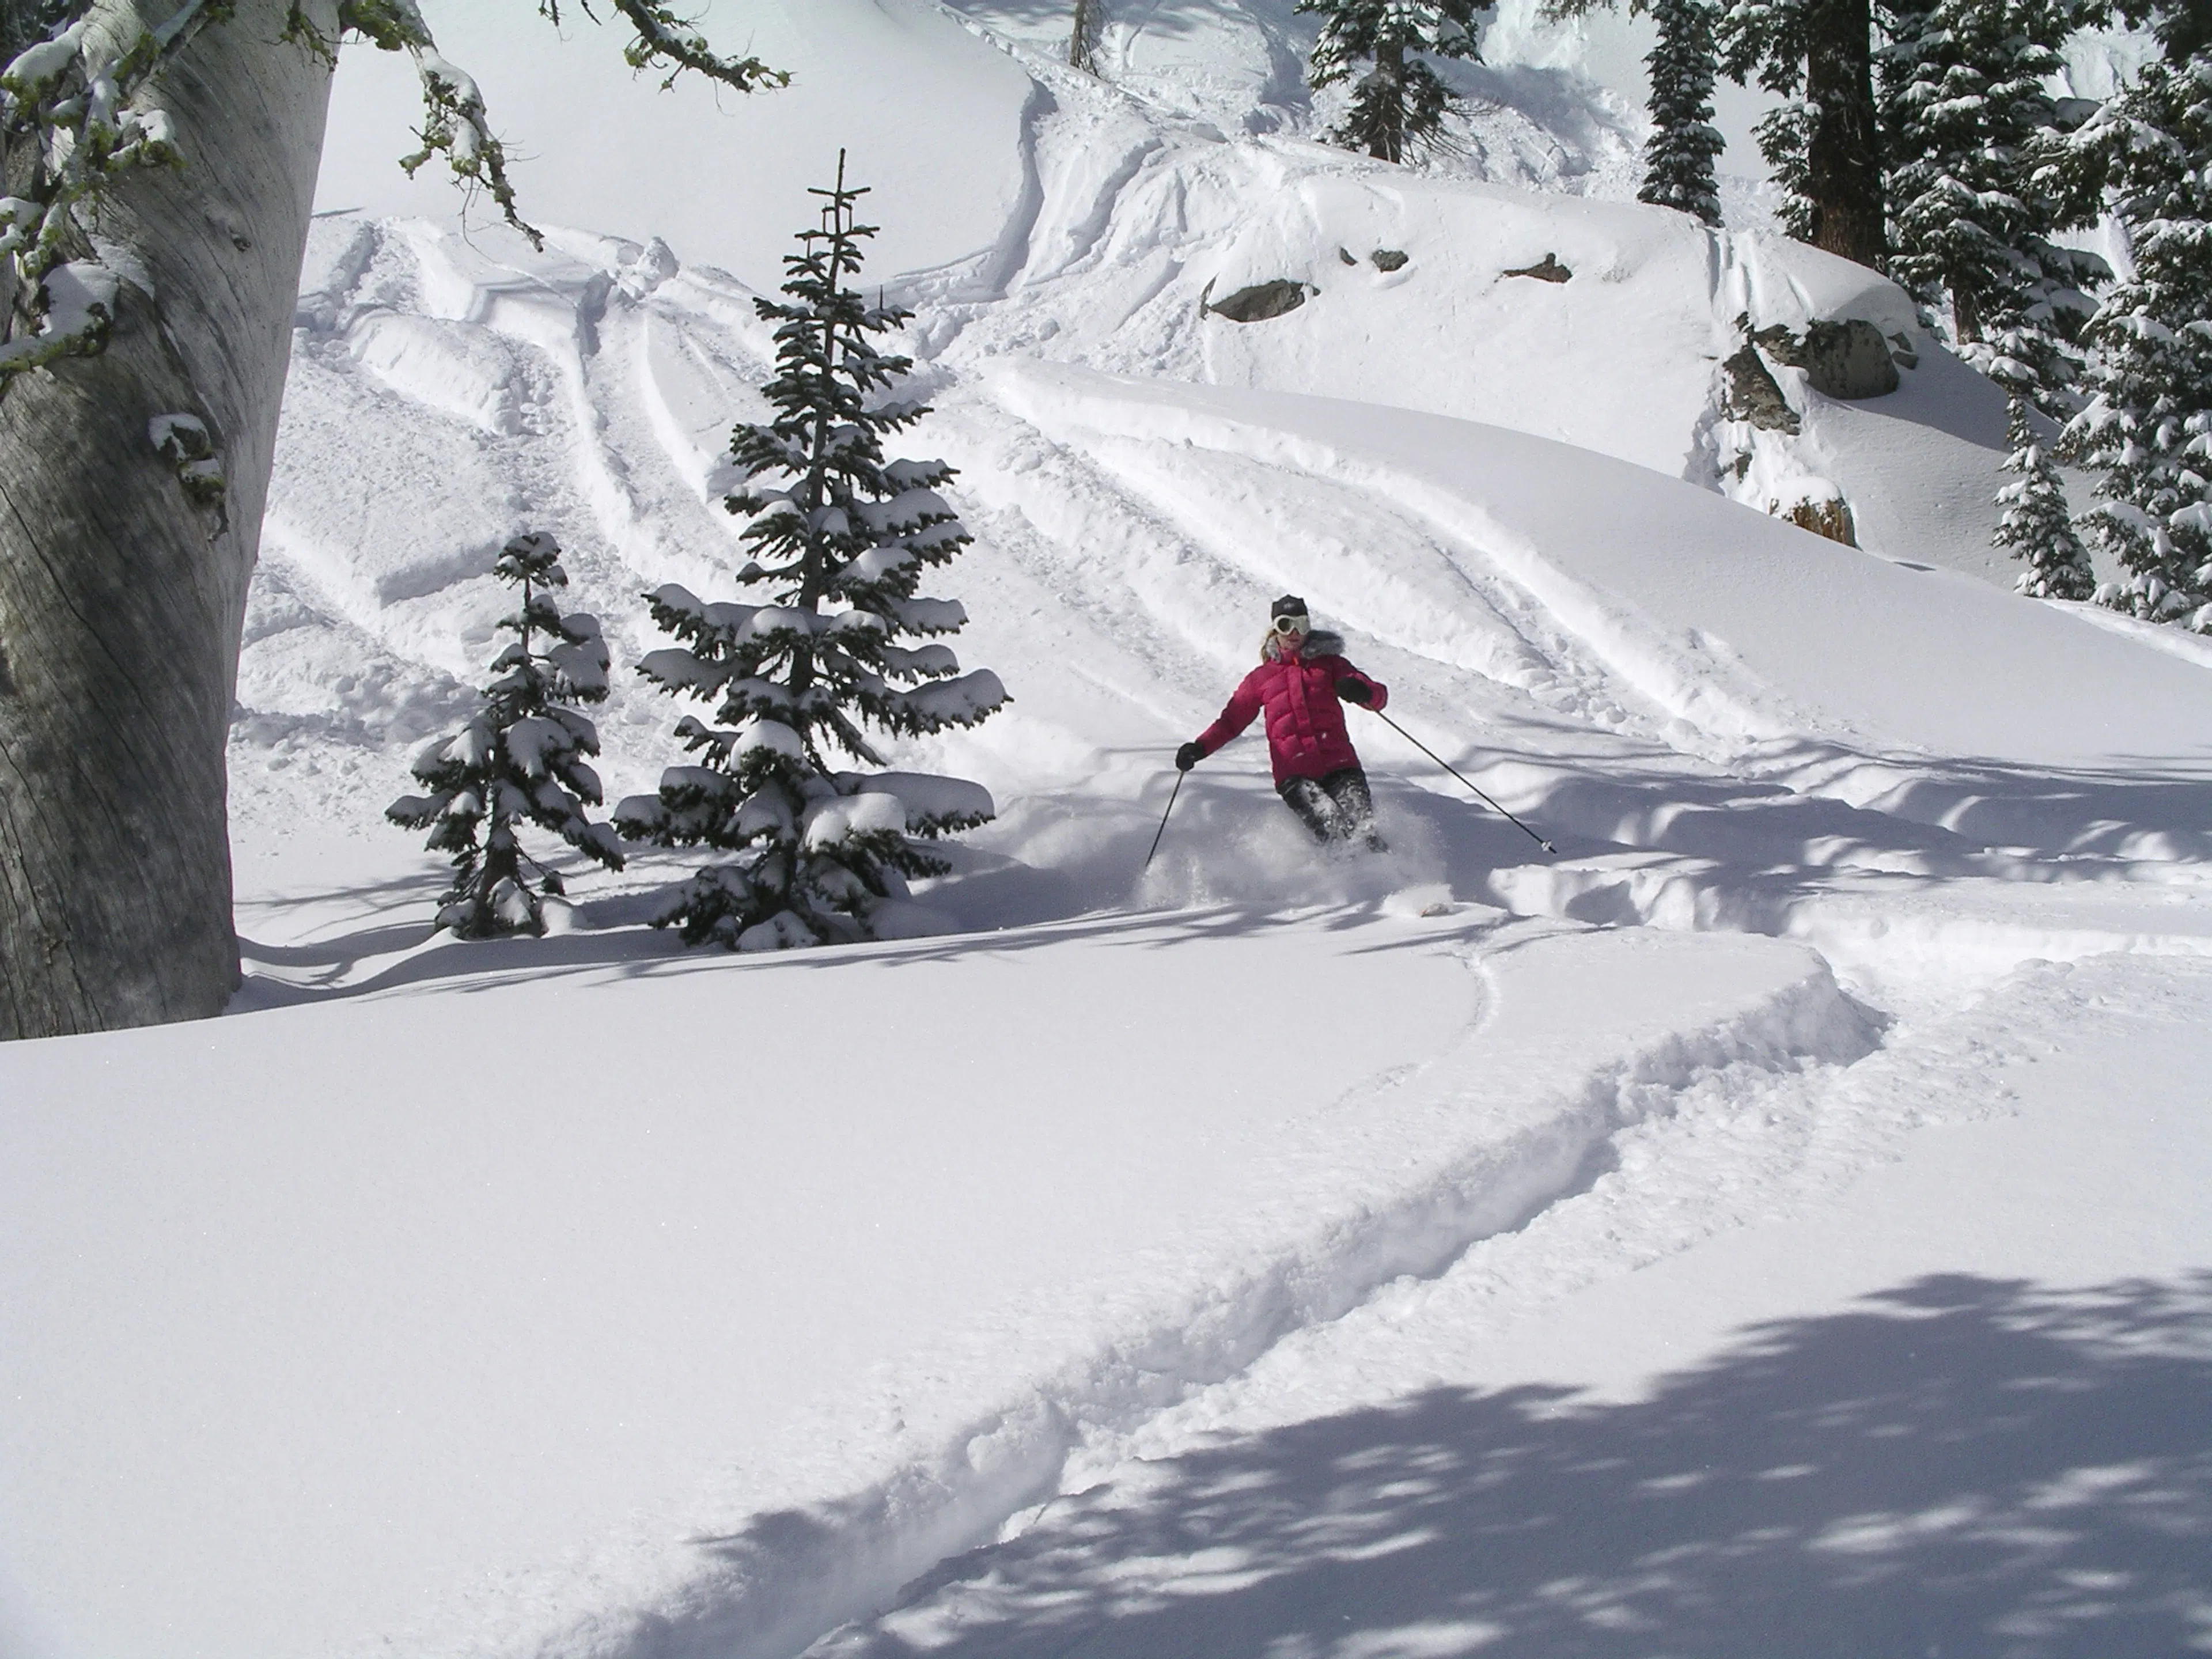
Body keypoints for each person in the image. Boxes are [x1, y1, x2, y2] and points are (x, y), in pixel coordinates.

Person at [1176, 595, 1389, 851]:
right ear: (1275, 628)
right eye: (1286, 624)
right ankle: (1342, 885)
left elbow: (1378, 697)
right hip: (1295, 775)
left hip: (1340, 765)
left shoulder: (1332, 665)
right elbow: (1232, 721)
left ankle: (1390, 876)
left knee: (1364, 830)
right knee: (1333, 829)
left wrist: (1363, 691)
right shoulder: (1261, 679)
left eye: (1302, 623)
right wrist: (1200, 748)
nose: (1294, 632)